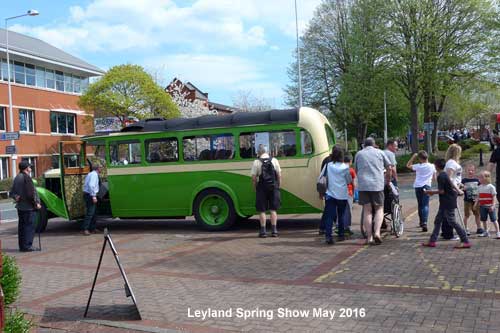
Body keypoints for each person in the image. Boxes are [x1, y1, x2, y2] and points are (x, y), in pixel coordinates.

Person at [422, 159, 470, 249]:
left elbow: (441, 191)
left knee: (452, 221)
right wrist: (458, 190)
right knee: (438, 221)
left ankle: (465, 240)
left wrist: (430, 192)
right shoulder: (444, 174)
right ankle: (432, 241)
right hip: (446, 201)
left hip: (447, 202)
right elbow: (451, 183)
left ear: (436, 166)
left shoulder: (441, 176)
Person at [355, 137, 392, 245]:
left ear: (364, 145)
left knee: (367, 210)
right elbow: (389, 167)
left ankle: (369, 237)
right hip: (377, 185)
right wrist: (388, 180)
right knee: (379, 208)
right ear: (374, 144)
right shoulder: (380, 153)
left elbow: (356, 169)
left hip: (363, 185)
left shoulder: (359, 154)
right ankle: (377, 233)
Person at [320, 147, 352, 244]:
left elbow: (322, 177)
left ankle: (328, 236)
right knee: (341, 215)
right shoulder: (345, 167)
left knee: (329, 216)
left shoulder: (328, 165)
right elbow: (349, 180)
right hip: (342, 194)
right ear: (342, 156)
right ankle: (341, 234)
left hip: (330, 194)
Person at [10, 160, 41, 252]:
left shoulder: (17, 177)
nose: (31, 168)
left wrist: (16, 197)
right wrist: (36, 204)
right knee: (29, 227)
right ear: (26, 168)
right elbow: (30, 194)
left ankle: (23, 246)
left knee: (22, 227)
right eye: (29, 167)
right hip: (29, 208)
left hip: (21, 207)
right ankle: (27, 246)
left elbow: (12, 193)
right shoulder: (26, 178)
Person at [251, 145, 282, 238]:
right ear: (267, 151)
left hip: (262, 187)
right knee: (273, 210)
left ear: (259, 152)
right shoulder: (274, 160)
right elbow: (279, 175)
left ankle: (263, 231)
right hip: (273, 187)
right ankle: (274, 230)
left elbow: (253, 178)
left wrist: (255, 187)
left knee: (262, 210)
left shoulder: (256, 162)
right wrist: (278, 185)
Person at [407, 151, 436, 232]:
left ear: (420, 158)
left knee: (420, 204)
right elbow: (435, 177)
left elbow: (408, 165)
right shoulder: (432, 166)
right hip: (427, 186)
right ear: (427, 157)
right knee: (425, 205)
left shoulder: (418, 166)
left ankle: (421, 222)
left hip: (418, 186)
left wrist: (413, 157)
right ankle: (425, 222)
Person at [443, 144, 464, 240]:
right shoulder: (451, 163)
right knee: (450, 212)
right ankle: (448, 234)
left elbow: (455, 178)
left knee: (446, 211)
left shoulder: (452, 162)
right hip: (451, 190)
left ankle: (446, 232)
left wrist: (460, 184)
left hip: (453, 189)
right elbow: (449, 178)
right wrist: (457, 189)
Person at [476, 171, 500, 239]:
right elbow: (478, 196)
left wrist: (493, 205)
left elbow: (494, 197)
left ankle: (498, 232)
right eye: (479, 177)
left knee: (494, 220)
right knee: (484, 219)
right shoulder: (479, 187)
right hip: (482, 206)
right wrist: (476, 204)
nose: (479, 179)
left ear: (486, 178)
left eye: (481, 177)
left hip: (490, 206)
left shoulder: (491, 187)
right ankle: (486, 232)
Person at [461, 164, 482, 236]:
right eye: (469, 170)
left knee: (477, 214)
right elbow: (460, 188)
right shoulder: (464, 180)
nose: (470, 172)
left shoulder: (477, 180)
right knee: (467, 215)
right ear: (466, 171)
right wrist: (462, 189)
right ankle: (465, 228)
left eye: (472, 170)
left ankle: (479, 228)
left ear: (474, 171)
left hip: (476, 200)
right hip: (467, 200)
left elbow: (480, 189)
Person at [82, 163, 101, 235]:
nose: (101, 169)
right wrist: (93, 196)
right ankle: (85, 229)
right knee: (90, 213)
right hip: (90, 195)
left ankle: (93, 228)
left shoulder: (91, 174)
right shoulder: (94, 175)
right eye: (100, 167)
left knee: (94, 213)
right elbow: (91, 185)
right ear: (97, 168)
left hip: (88, 194)